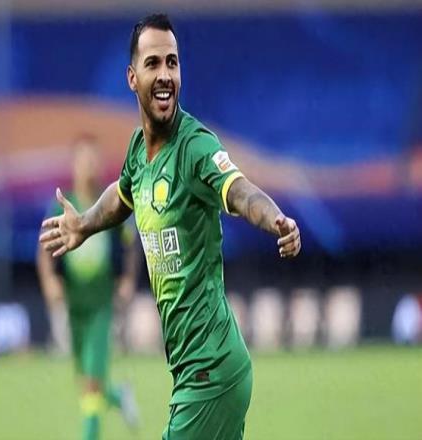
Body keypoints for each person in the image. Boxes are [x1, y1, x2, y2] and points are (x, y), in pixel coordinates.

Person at [39, 13, 301, 440]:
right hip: (196, 372)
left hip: (210, 373)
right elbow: (122, 195)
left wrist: (275, 219)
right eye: (153, 63)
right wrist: (84, 224)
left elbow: (239, 190)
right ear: (132, 78)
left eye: (172, 63)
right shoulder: (138, 150)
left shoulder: (195, 146)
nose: (165, 75)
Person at [36, 135, 139, 440]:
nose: (89, 166)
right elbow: (43, 249)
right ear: (74, 165)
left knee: (92, 383)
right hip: (73, 303)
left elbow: (130, 244)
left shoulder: (110, 205)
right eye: (84, 160)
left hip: (101, 304)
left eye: (94, 160)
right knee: (87, 382)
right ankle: (119, 396)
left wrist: (127, 281)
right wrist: (50, 281)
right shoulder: (63, 205)